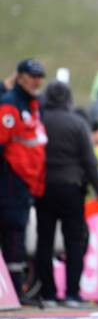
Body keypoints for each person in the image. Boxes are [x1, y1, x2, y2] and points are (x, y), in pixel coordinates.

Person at [34, 81, 98, 307]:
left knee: (44, 241)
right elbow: (89, 161)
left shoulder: (39, 122)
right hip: (72, 188)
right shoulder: (77, 124)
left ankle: (47, 294)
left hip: (43, 188)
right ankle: (72, 294)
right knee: (74, 242)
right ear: (68, 99)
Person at [0, 59, 47, 300]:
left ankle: (16, 290)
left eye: (40, 76)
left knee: (17, 234)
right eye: (32, 76)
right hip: (11, 181)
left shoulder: (32, 105)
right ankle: (14, 290)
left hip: (26, 183)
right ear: (19, 77)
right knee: (12, 234)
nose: (37, 80)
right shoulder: (10, 105)